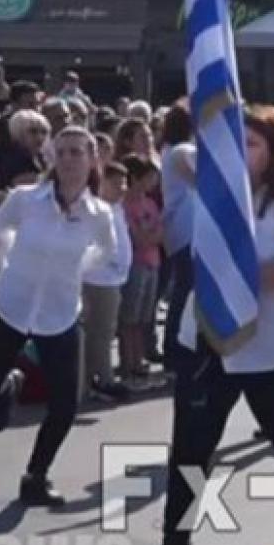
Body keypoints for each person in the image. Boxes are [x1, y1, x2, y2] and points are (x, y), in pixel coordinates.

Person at [134, 106, 274, 545]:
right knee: (190, 447)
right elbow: (182, 155)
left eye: (252, 144)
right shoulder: (216, 188)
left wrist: (230, 276)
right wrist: (217, 150)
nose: (242, 151)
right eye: (236, 141)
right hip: (207, 337)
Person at [0, 126, 116, 505]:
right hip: (11, 306)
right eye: (62, 152)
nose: (68, 160)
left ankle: (36, 476)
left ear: (91, 158)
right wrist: (7, 266)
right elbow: (0, 230)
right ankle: (9, 386)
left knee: (65, 404)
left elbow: (107, 253)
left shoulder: (98, 214)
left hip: (60, 313)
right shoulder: (25, 199)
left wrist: (76, 270)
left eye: (76, 152)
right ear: (52, 157)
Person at [82, 161, 133, 401]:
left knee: (104, 331)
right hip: (98, 279)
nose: (122, 187)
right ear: (101, 183)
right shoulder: (96, 210)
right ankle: (101, 379)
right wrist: (109, 264)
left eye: (124, 182)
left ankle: (96, 377)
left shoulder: (117, 208)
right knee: (99, 332)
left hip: (113, 279)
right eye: (115, 183)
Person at [118, 155, 163, 388]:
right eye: (148, 178)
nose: (153, 183)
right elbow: (137, 238)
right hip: (135, 264)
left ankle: (139, 360)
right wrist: (148, 237)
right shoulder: (124, 206)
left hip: (152, 263)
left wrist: (151, 237)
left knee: (143, 317)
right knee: (129, 319)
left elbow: (160, 233)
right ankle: (129, 363)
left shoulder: (151, 204)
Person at [159, 102, 195, 373]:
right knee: (184, 292)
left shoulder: (170, 150)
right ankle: (174, 350)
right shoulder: (181, 152)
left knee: (184, 290)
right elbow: (200, 178)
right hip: (184, 229)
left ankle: (177, 348)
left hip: (183, 228)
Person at [0, 109, 50, 190]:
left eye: (44, 132)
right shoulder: (5, 160)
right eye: (33, 131)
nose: (40, 138)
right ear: (17, 132)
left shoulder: (41, 159)